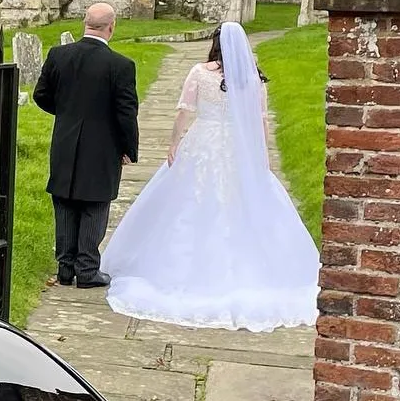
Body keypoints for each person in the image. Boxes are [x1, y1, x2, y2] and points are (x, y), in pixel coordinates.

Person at [99, 21, 320, 330]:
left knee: (191, 200)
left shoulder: (200, 74)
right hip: (239, 147)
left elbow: (184, 112)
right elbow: (260, 122)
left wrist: (174, 142)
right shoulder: (253, 80)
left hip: (202, 143)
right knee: (238, 202)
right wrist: (262, 157)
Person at [33, 4, 140, 288]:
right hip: (103, 145)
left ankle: (66, 268)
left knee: (65, 200)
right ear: (111, 26)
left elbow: (41, 95)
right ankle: (88, 270)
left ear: (85, 23)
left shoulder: (59, 55)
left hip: (65, 140)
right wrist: (130, 147)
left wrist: (68, 113)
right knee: (94, 203)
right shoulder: (120, 66)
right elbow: (126, 113)